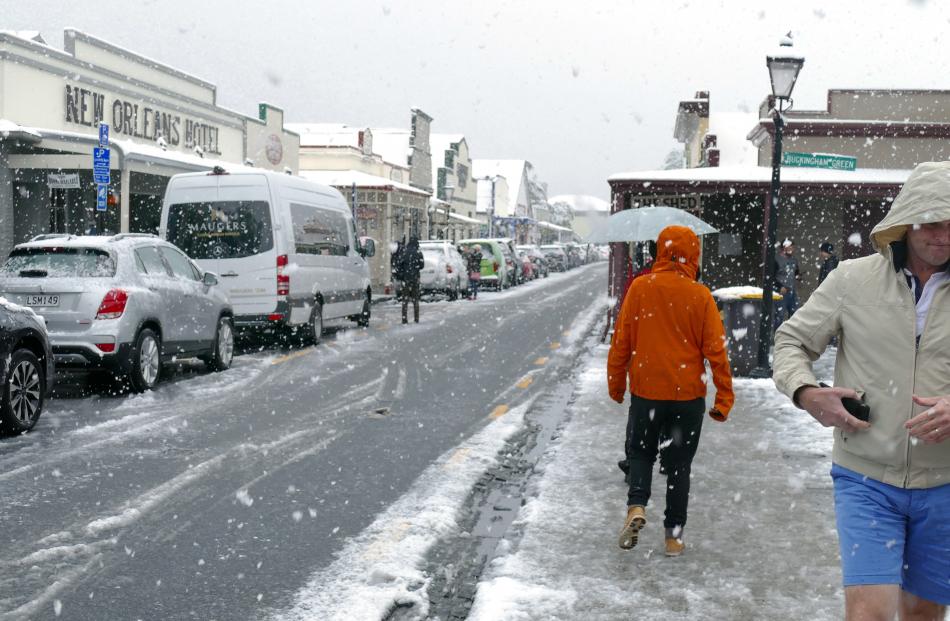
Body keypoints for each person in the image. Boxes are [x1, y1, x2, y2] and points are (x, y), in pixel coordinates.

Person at [773, 160, 950, 620]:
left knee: (923, 615)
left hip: (946, 483)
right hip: (866, 478)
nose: (943, 236)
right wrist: (807, 393)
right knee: (869, 613)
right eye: (932, 222)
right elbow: (791, 341)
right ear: (907, 219)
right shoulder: (852, 280)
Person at [607, 225, 734, 557]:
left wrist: (617, 383)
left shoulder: (639, 288)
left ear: (659, 251)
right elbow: (716, 352)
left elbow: (622, 341)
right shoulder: (700, 295)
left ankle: (637, 505)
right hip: (687, 396)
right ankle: (673, 537)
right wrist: (723, 398)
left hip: (647, 392)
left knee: (641, 453)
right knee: (679, 467)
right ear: (693, 255)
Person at [775, 238, 801, 325]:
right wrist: (779, 287)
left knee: (795, 315)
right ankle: (776, 337)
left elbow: (796, 272)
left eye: (792, 248)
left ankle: (791, 336)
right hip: (781, 293)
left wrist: (798, 277)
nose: (792, 250)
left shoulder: (794, 260)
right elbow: (770, 277)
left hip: (792, 292)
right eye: (789, 247)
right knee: (779, 316)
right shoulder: (776, 260)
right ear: (783, 248)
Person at [398, 236, 424, 324]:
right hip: (415, 278)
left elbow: (399, 265)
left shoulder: (404, 252)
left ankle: (404, 319)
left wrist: (403, 274)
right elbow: (422, 265)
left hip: (406, 279)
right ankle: (416, 318)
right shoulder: (418, 252)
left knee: (405, 300)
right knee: (415, 300)